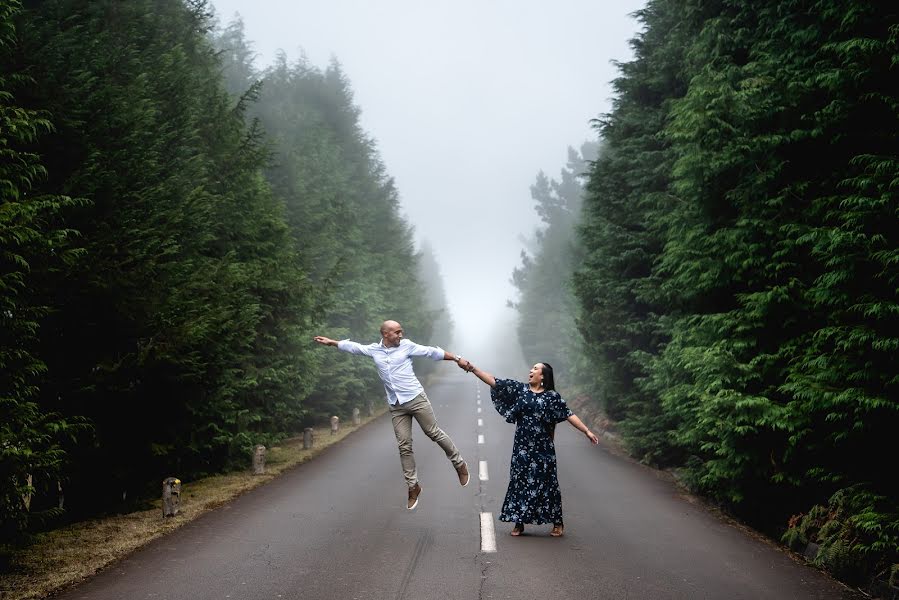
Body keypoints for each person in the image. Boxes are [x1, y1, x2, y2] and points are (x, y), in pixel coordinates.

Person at [313, 320, 470, 510]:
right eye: (397, 332)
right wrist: (332, 342)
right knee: (404, 445)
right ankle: (413, 486)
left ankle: (459, 463)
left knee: (433, 433)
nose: (400, 335)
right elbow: (355, 347)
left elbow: (431, 352)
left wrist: (456, 358)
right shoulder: (374, 350)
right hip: (396, 406)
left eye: (401, 331)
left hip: (416, 399)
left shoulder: (407, 346)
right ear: (385, 334)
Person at [457, 358, 598, 537]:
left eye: (535, 368)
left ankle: (557, 522)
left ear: (543, 376)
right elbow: (495, 381)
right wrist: (473, 369)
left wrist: (587, 431)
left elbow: (569, 414)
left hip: (544, 450)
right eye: (532, 368)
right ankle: (519, 521)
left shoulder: (551, 397)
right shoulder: (521, 390)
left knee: (548, 484)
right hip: (522, 449)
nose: (531, 370)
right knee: (520, 482)